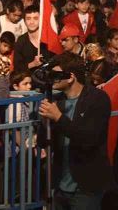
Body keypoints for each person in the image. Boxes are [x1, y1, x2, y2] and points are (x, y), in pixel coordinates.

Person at [38, 52, 113, 208]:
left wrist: (59, 117)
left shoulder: (98, 99)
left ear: (70, 77)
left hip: (86, 185)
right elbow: (43, 141)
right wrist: (45, 123)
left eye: (56, 74)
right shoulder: (57, 102)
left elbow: (89, 137)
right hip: (60, 185)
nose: (52, 78)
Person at [13, 4, 50, 73]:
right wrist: (33, 64)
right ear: (24, 21)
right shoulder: (21, 41)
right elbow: (17, 68)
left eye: (35, 18)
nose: (32, 22)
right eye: (28, 18)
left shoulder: (48, 38)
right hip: (29, 81)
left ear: (41, 20)